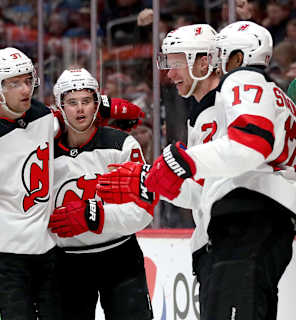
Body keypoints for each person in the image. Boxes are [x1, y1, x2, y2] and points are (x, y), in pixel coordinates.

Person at [98, 21, 296, 320]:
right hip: (234, 229)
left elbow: (251, 146)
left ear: (204, 61)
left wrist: (182, 163)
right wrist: (150, 181)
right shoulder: (208, 111)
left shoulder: (242, 84)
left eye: (176, 62)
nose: (169, 73)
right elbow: (204, 191)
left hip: (247, 226)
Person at [0, 47, 144, 320]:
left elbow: (76, 117)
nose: (25, 90)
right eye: (14, 83)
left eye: (27, 80)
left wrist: (108, 106)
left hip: (44, 251)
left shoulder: (42, 116)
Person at [48, 68, 156, 320]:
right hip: (67, 263)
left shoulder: (121, 144)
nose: (80, 109)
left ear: (97, 103)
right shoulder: (45, 151)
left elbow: (143, 212)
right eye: (72, 103)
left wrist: (94, 216)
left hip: (121, 258)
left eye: (86, 101)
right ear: (60, 106)